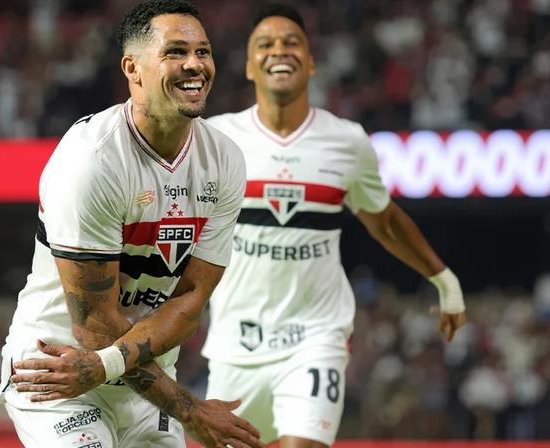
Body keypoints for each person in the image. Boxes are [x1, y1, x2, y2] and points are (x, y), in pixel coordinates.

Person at [200, 4, 468, 448]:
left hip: (315, 338)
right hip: (234, 346)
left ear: (311, 61)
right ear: (249, 66)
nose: (279, 51)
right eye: (264, 45)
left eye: (292, 43)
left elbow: (383, 221)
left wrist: (444, 279)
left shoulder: (347, 140)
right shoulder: (215, 139)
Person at [0, 1, 263, 447]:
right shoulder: (92, 161)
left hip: (144, 380)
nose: (195, 64)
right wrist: (190, 409)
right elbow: (94, 325)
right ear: (133, 68)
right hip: (59, 374)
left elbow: (190, 298)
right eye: (176, 52)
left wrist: (153, 389)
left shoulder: (224, 161)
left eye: (203, 51)